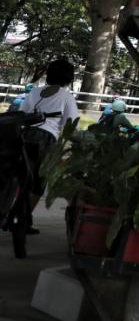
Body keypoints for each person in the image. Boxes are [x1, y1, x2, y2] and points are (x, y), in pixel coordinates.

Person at [16, 58, 79, 233]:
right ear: (69, 78)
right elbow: (72, 124)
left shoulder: (34, 92)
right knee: (39, 180)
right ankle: (25, 219)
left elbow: (22, 113)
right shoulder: (66, 97)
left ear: (49, 75)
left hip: (23, 136)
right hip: (46, 140)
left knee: (18, 175)